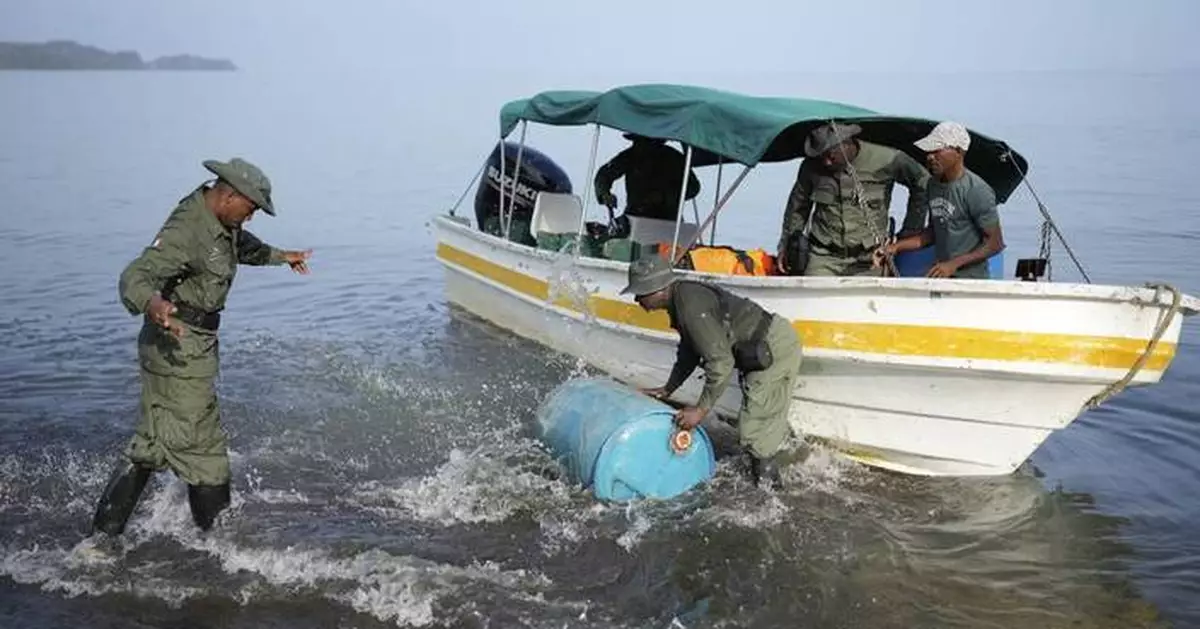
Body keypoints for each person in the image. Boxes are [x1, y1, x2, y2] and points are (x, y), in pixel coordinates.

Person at [90, 157, 312, 538]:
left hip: (190, 344)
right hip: (176, 344)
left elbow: (240, 246)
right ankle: (219, 547)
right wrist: (153, 304)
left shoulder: (223, 221)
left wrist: (282, 257)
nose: (252, 216)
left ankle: (101, 539)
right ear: (229, 195)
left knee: (151, 443)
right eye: (251, 207)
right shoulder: (188, 228)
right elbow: (134, 276)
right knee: (203, 447)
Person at [622, 256, 802, 489]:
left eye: (640, 292)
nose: (637, 299)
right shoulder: (681, 300)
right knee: (757, 424)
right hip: (757, 349)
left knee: (754, 433)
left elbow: (721, 363)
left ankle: (771, 498)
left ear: (658, 289)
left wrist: (700, 410)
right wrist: (668, 389)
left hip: (773, 349)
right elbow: (689, 352)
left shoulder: (690, 306)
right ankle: (772, 462)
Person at [777, 122, 930, 277]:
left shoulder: (888, 159)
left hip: (871, 258)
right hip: (823, 257)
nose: (826, 162)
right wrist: (786, 245)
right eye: (821, 156)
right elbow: (797, 207)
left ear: (847, 144)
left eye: (831, 155)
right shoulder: (811, 167)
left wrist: (911, 230)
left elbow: (922, 183)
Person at [873, 121, 1005, 279]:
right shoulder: (933, 184)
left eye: (936, 150)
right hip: (941, 275)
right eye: (929, 151)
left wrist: (953, 264)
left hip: (970, 279)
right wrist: (895, 247)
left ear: (958, 151)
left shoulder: (976, 190)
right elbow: (933, 232)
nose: (930, 156)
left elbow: (995, 244)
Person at [594, 133, 701, 227]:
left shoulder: (674, 158)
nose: (638, 146)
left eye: (642, 142)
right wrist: (604, 194)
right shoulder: (629, 156)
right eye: (636, 142)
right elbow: (603, 175)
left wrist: (664, 196)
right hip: (635, 218)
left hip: (668, 222)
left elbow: (693, 186)